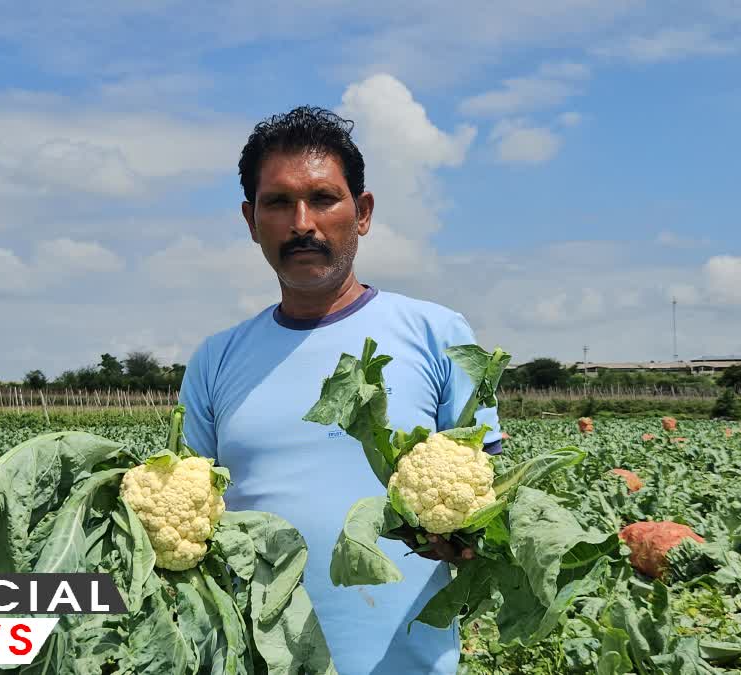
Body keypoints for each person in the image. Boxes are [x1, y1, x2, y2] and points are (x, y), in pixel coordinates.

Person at [178, 105, 503, 675]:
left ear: (363, 213)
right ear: (251, 220)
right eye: (278, 203)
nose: (302, 222)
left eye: (324, 199)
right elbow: (191, 519)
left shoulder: (439, 336)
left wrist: (471, 538)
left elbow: (492, 497)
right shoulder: (215, 359)